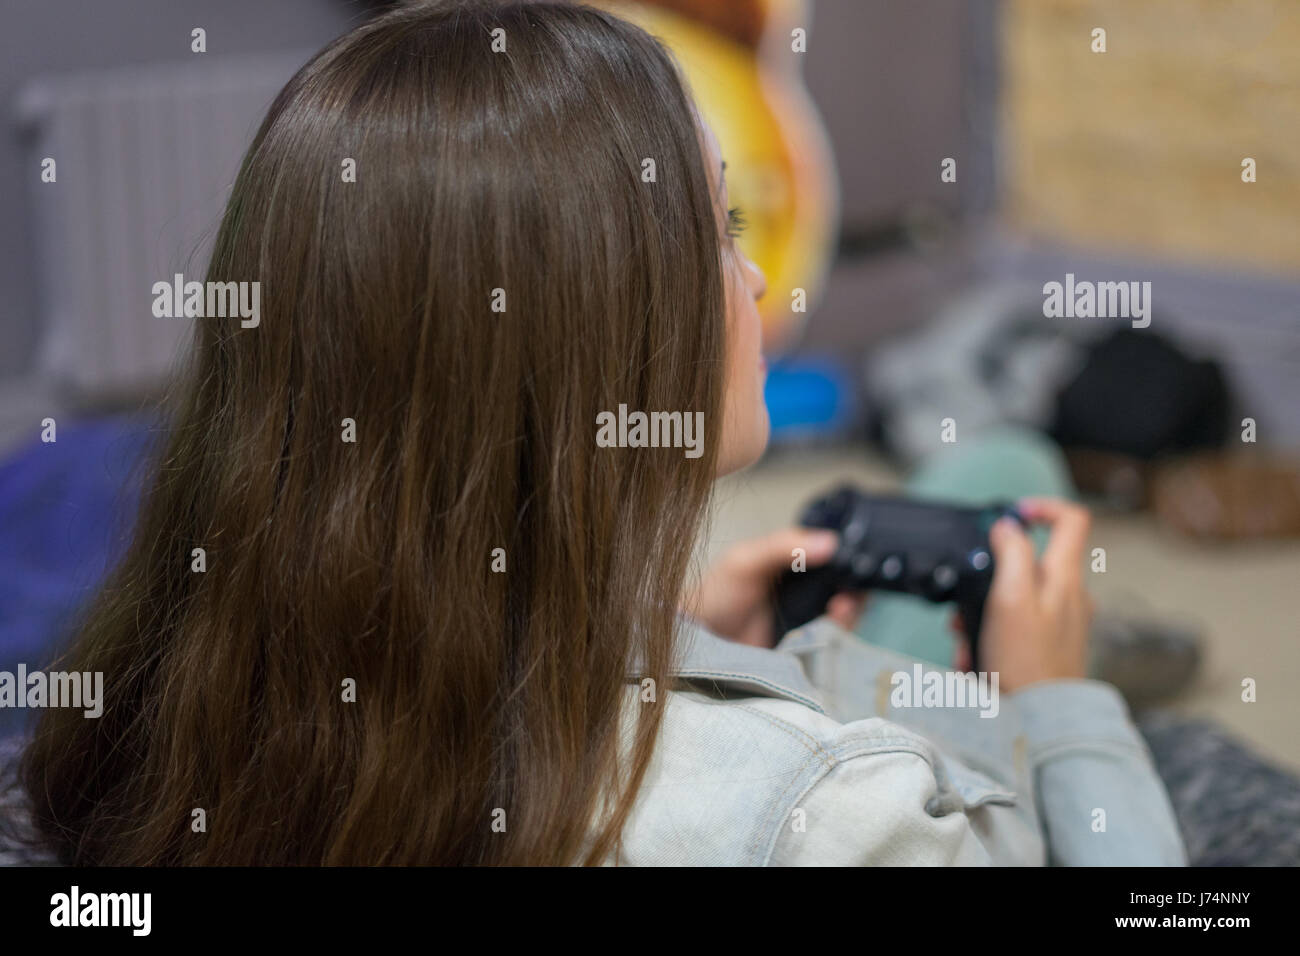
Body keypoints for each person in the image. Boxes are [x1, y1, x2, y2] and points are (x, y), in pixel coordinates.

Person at [14, 0, 1184, 866]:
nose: (753, 276)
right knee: (1011, 493)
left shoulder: (174, 689)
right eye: (720, 223)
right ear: (608, 340)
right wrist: (1056, 705)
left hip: (641, 663)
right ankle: (1080, 655)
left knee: (983, 480)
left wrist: (653, 631)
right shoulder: (827, 808)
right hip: (871, 747)